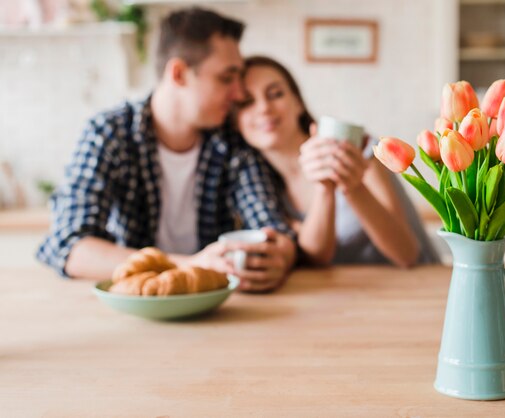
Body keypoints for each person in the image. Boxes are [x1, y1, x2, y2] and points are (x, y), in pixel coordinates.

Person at [37, 9, 296, 293]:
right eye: (226, 78)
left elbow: (274, 230)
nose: (238, 93)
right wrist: (189, 265)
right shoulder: (109, 134)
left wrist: (280, 257)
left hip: (210, 306)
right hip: (133, 302)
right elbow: (71, 247)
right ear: (179, 74)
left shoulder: (232, 141)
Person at [233, 56, 439, 267]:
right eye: (247, 102)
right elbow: (316, 256)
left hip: (415, 285)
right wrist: (325, 188)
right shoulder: (258, 186)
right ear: (235, 121)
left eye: (275, 94)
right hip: (342, 295)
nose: (264, 108)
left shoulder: (358, 148)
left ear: (297, 102)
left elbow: (408, 254)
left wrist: (353, 186)